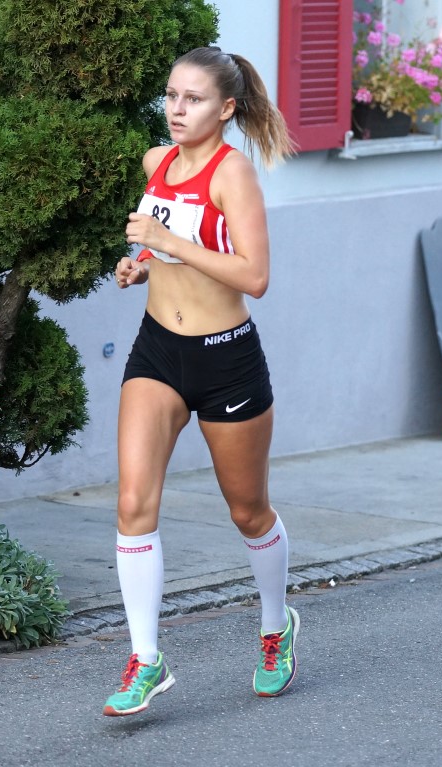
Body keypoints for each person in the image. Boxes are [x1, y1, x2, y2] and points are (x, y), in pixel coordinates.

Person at [102, 46, 297, 717]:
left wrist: (168, 244)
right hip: (158, 351)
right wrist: (141, 265)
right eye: (171, 95)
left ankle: (275, 627)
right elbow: (164, 249)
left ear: (226, 108)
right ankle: (145, 659)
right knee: (133, 502)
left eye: (193, 99)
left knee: (248, 511)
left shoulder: (233, 173)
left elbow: (255, 276)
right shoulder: (156, 162)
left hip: (224, 359)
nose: (176, 109)